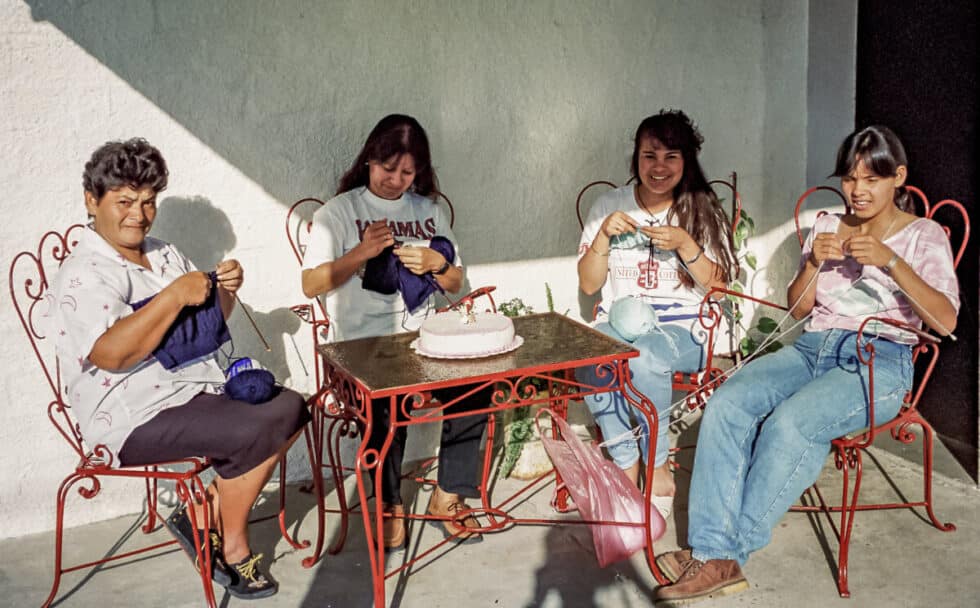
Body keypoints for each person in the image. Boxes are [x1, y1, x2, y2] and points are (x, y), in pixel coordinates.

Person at [653, 125, 960, 605]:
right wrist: (812, 264)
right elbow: (797, 310)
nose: (857, 191)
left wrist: (891, 262)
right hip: (812, 347)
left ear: (897, 177)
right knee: (729, 403)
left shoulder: (924, 235)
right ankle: (711, 549)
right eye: (849, 179)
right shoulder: (827, 224)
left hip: (878, 362)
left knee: (792, 424)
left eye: (871, 180)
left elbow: (944, 322)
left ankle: (724, 557)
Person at [48, 138, 310, 600]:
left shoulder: (163, 252)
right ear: (92, 200)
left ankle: (202, 514)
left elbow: (205, 325)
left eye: (148, 201)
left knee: (291, 406)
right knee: (258, 427)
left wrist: (225, 289)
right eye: (124, 201)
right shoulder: (84, 271)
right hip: (130, 414)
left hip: (192, 391)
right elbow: (111, 355)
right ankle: (231, 545)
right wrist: (172, 296)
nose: (139, 214)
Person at [301, 114, 490, 549]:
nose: (396, 181)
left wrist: (437, 265)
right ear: (371, 158)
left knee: (476, 386)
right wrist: (361, 253)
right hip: (361, 346)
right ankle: (388, 502)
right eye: (389, 169)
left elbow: (456, 282)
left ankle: (449, 496)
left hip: (425, 341)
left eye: (408, 173)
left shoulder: (428, 210)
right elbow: (311, 284)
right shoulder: (340, 212)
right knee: (386, 397)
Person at [577, 110, 738, 517]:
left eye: (671, 156)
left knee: (646, 355)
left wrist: (685, 244)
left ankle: (659, 464)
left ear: (686, 162)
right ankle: (626, 461)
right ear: (636, 159)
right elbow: (590, 285)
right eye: (649, 156)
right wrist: (602, 236)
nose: (659, 167)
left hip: (682, 330)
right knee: (592, 357)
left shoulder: (701, 209)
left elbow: (719, 286)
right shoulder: (610, 205)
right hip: (620, 323)